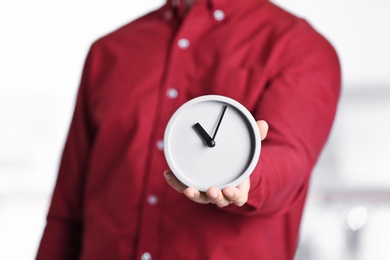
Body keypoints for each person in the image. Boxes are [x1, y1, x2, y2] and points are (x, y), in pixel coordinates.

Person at [37, 0, 341, 259]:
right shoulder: (108, 52)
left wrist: (244, 177)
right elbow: (67, 212)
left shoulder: (299, 47)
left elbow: (289, 159)